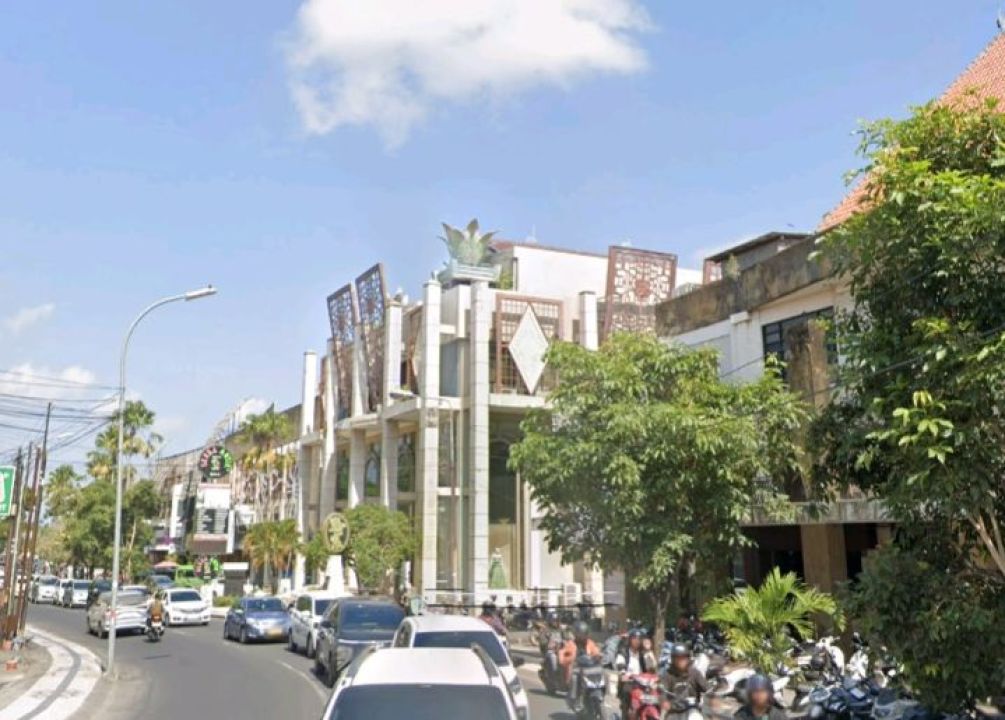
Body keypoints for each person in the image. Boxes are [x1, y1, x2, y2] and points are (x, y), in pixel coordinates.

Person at [615, 628, 658, 718]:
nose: (637, 641)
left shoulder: (643, 653)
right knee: (626, 692)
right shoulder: (624, 651)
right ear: (630, 640)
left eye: (639, 639)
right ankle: (625, 715)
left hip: (644, 684)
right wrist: (623, 673)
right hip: (630, 683)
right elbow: (620, 663)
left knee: (656, 695)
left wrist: (648, 651)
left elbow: (652, 668)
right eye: (634, 638)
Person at [561, 621, 603, 711]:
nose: (583, 636)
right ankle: (574, 699)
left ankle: (601, 693)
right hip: (576, 668)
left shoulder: (590, 643)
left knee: (603, 673)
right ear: (576, 634)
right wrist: (570, 658)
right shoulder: (570, 644)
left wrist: (598, 655)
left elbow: (595, 651)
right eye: (581, 634)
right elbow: (562, 657)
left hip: (589, 669)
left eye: (584, 634)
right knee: (574, 677)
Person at [661, 644, 708, 720]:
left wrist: (712, 691)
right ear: (672, 659)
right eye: (677, 658)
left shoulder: (695, 673)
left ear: (688, 658)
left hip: (692, 709)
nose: (680, 661)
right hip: (674, 710)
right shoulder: (668, 675)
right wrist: (664, 701)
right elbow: (662, 690)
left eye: (683, 658)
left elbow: (706, 688)